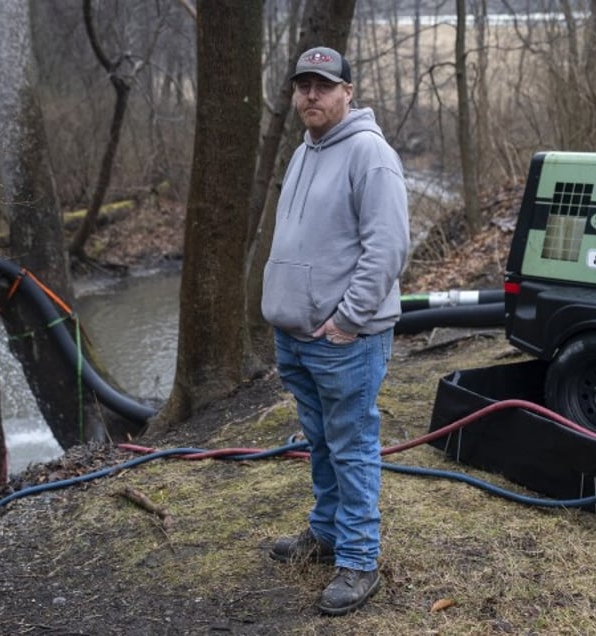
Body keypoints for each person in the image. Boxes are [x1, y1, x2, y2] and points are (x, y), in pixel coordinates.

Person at [261, 45, 410, 616]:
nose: (311, 95)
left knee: (351, 447)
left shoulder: (369, 155)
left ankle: (358, 560)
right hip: (296, 334)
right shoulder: (305, 151)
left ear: (348, 91)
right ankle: (324, 535)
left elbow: (387, 248)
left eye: (323, 85)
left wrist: (347, 319)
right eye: (303, 85)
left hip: (344, 338)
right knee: (320, 442)